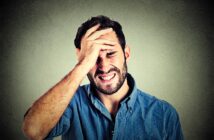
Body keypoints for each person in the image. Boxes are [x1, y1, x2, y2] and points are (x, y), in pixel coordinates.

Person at [22, 15, 184, 140]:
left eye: (111, 53)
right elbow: (33, 131)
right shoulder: (69, 104)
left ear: (126, 53)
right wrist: (83, 64)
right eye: (93, 58)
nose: (104, 67)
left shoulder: (163, 114)